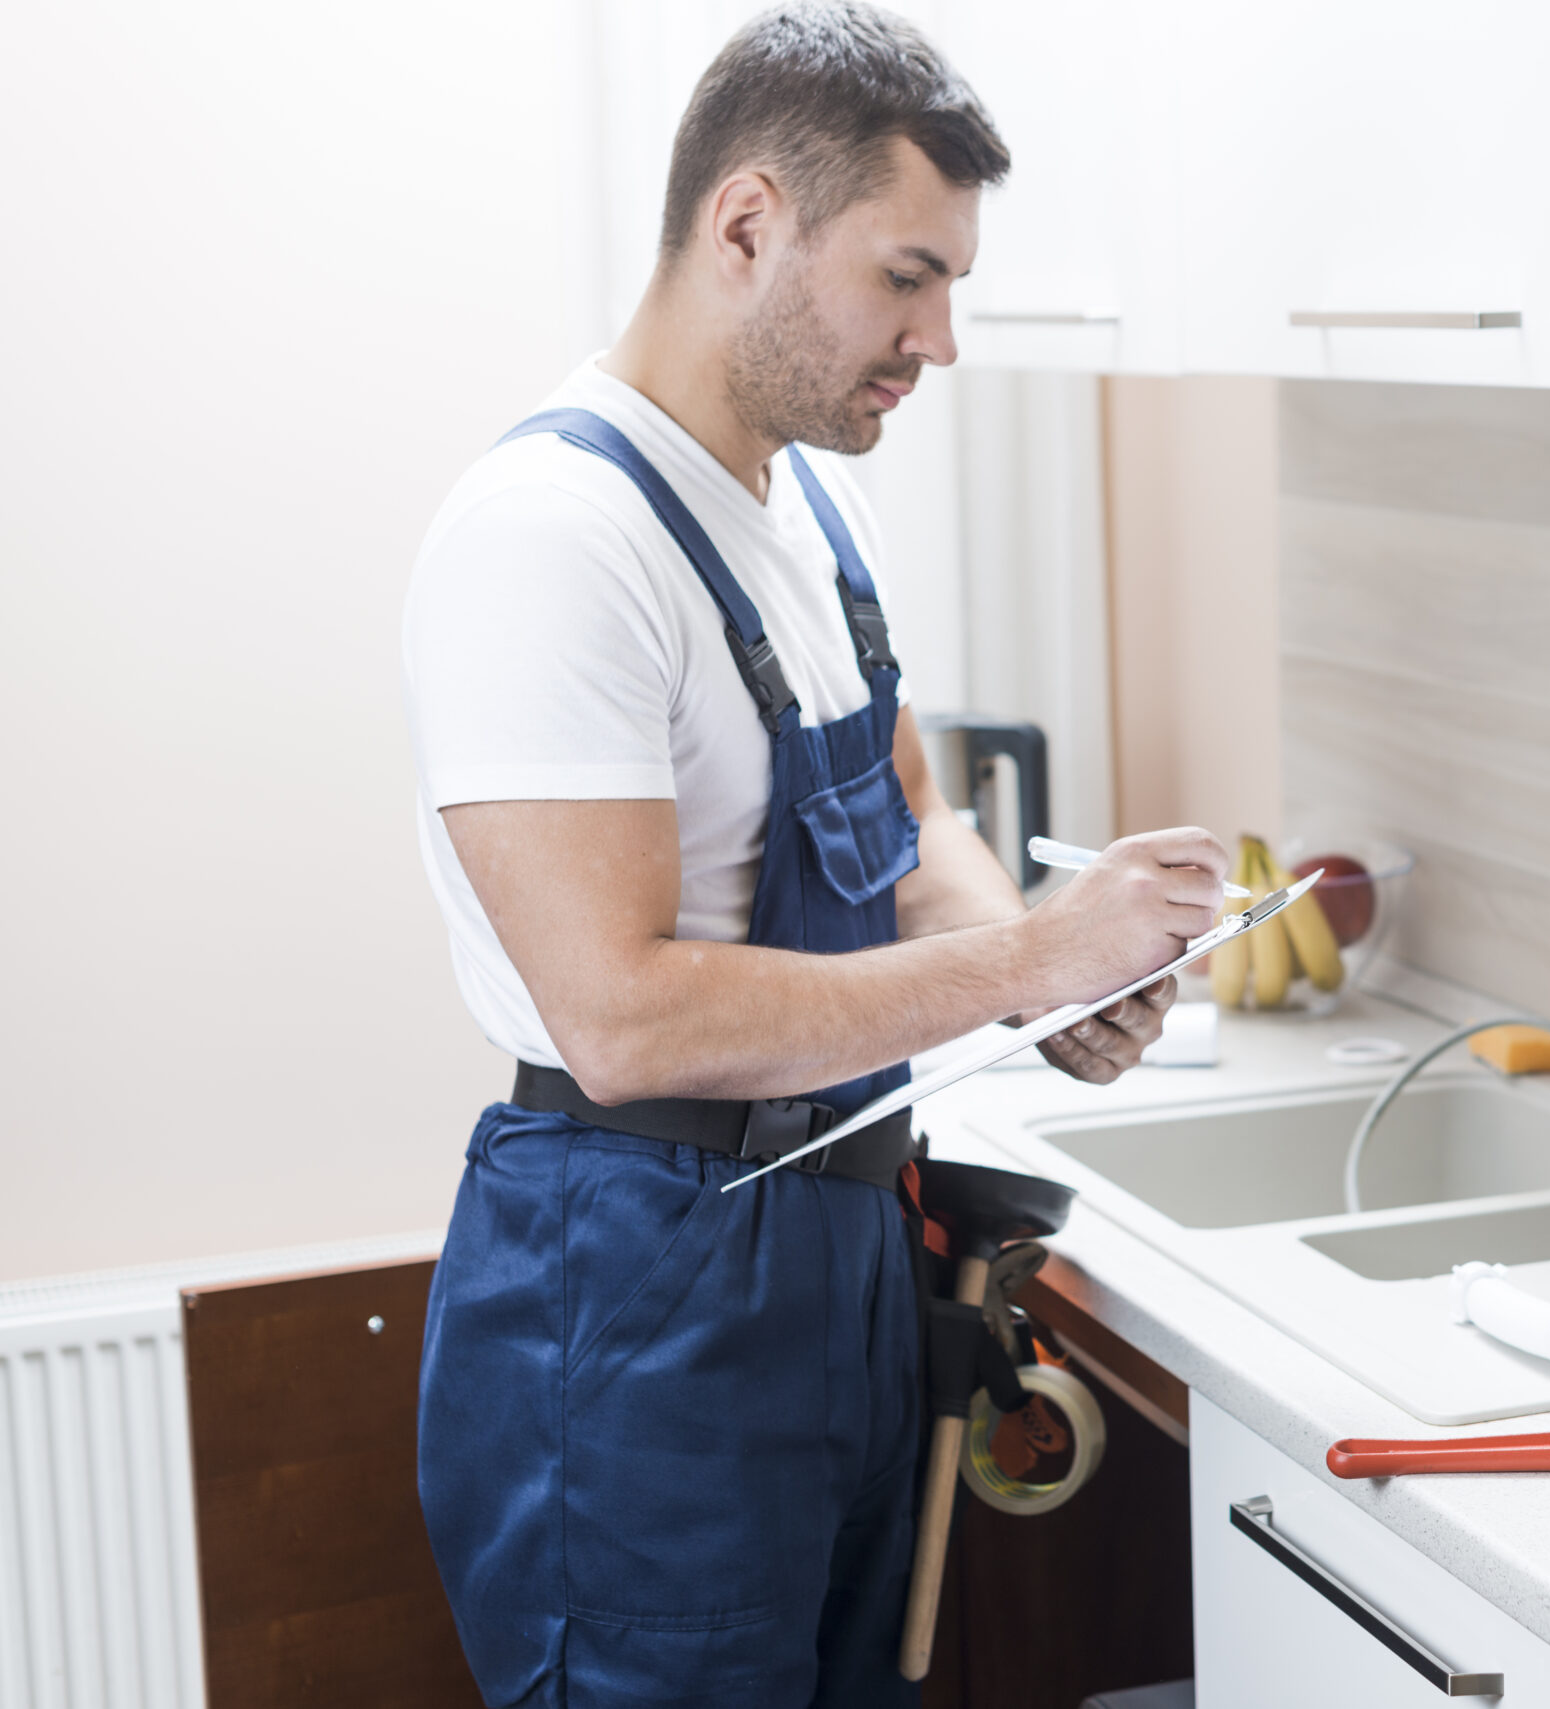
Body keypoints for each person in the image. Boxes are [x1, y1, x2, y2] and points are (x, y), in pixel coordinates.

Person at [400, 6, 1226, 1703]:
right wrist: (1030, 960)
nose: (938, 340)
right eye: (908, 277)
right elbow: (622, 1019)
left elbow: (910, 822)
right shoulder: (553, 544)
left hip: (840, 1270)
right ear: (749, 224)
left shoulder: (801, 511)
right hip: (640, 1313)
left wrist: (1051, 982)